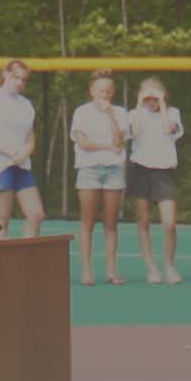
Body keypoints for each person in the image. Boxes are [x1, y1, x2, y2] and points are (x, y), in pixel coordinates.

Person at [70, 70, 132, 285]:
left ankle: (111, 272)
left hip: (113, 171)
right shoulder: (81, 112)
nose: (104, 95)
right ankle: (87, 272)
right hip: (89, 169)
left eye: (108, 91)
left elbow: (119, 141)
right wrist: (106, 146)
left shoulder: (120, 113)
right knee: (87, 222)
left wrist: (110, 116)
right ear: (92, 91)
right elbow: (83, 143)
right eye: (100, 91)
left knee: (111, 223)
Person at [0, 56, 45, 237]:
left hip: (21, 165)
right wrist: (8, 151)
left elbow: (30, 140)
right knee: (1, 219)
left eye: (23, 80)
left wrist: (25, 152)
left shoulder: (26, 105)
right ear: (5, 75)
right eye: (16, 77)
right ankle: (1, 264)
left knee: (36, 215)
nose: (20, 83)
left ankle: (26, 261)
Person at [124, 78, 187, 283]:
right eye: (148, 97)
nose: (152, 101)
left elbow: (170, 130)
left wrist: (162, 104)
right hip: (140, 169)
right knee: (143, 221)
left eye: (155, 97)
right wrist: (139, 104)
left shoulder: (172, 113)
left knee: (169, 223)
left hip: (164, 171)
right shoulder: (135, 114)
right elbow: (135, 131)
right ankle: (151, 268)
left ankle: (169, 266)